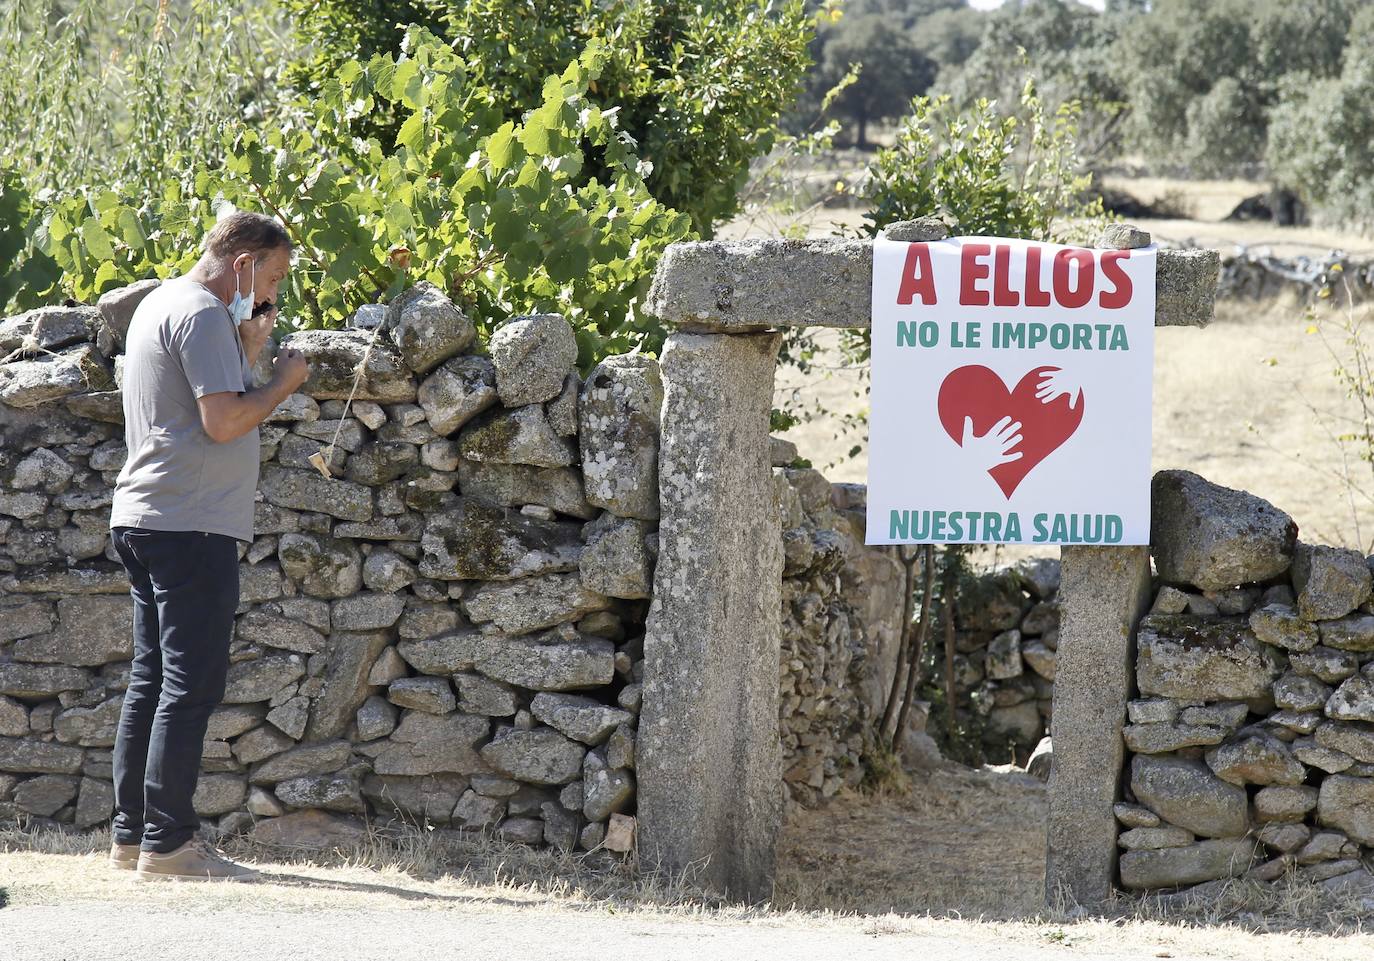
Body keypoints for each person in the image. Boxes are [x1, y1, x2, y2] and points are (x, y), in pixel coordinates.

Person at [105, 210, 310, 881]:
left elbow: (190, 407)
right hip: (190, 523)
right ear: (244, 261)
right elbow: (222, 421)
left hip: (146, 515)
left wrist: (246, 350)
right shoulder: (201, 313)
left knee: (151, 682)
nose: (271, 293)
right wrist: (283, 379)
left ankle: (132, 836)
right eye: (272, 276)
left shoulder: (163, 304)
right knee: (190, 685)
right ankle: (171, 843)